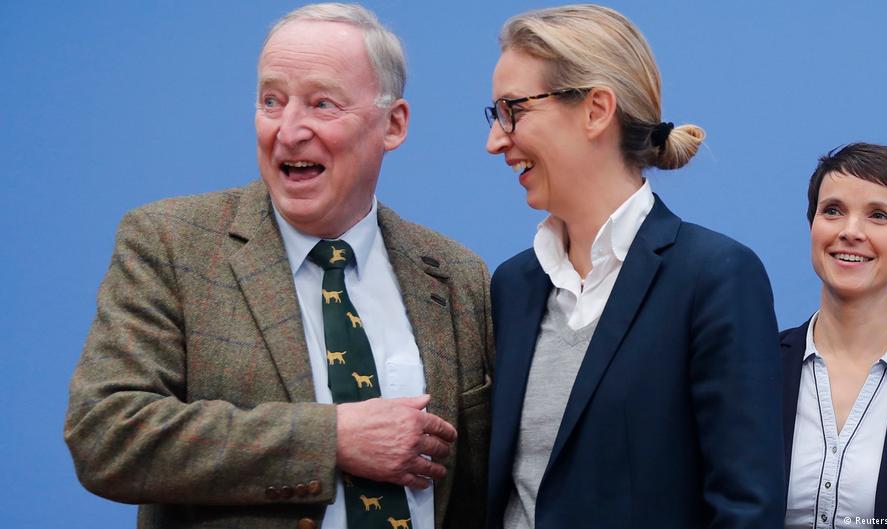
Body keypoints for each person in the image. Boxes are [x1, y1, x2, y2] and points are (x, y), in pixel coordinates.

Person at [65, 4, 492, 529]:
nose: (289, 131)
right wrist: (330, 439)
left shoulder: (456, 276)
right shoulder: (173, 244)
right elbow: (106, 434)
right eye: (272, 101)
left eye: (321, 104)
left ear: (393, 124)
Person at [483, 5, 785, 529]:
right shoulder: (512, 286)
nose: (496, 140)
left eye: (514, 110)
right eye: (495, 116)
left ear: (597, 109)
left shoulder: (714, 277)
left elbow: (746, 510)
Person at [781, 143, 887, 527]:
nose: (851, 232)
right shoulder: (751, 367)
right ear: (812, 226)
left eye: (878, 215)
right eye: (832, 210)